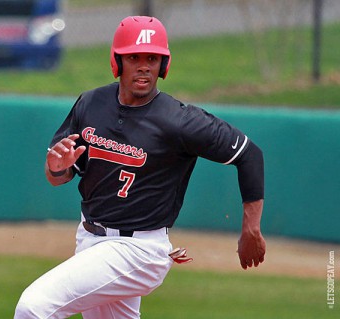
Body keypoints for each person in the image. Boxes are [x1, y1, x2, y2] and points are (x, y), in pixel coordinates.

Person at [14, 16, 266, 319]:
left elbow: (249, 154)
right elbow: (59, 176)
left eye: (152, 58)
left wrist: (251, 228)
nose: (144, 65)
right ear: (117, 61)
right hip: (90, 238)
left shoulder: (180, 121)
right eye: (134, 57)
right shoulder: (91, 104)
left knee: (34, 307)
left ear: (164, 65)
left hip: (139, 250)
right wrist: (56, 168)